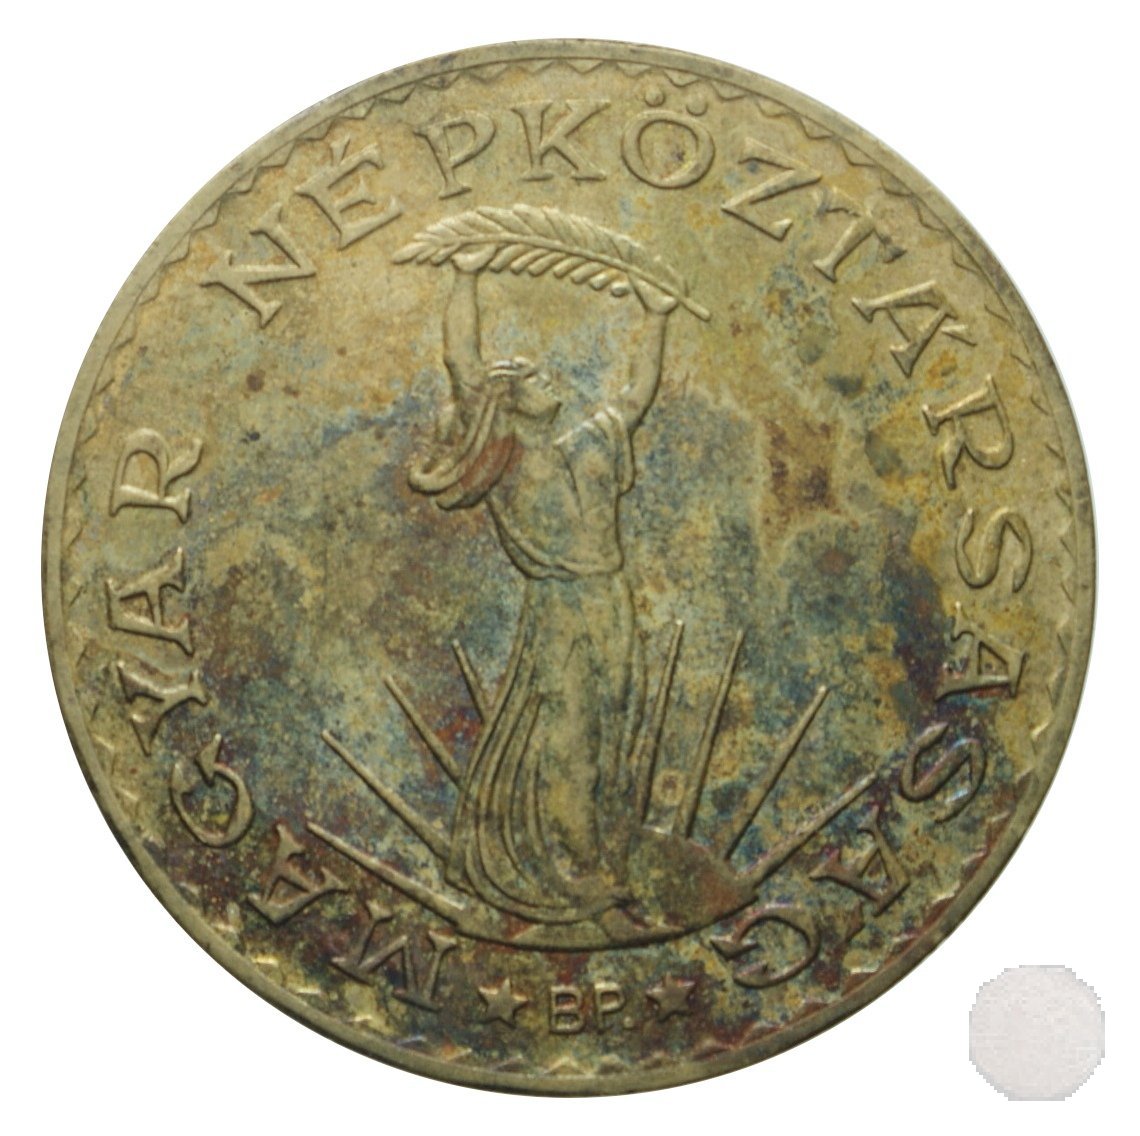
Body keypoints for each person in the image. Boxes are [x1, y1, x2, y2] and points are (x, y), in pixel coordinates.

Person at [410, 257, 676, 926]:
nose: (549, 376)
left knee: (611, 732)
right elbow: (462, 362)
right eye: (531, 375)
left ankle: (603, 857)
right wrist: (465, 277)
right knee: (567, 735)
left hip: (613, 604)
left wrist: (656, 314)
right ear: (506, 399)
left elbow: (637, 395)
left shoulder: (593, 443)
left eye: (546, 371)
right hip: (559, 607)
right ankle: (573, 869)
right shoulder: (507, 461)